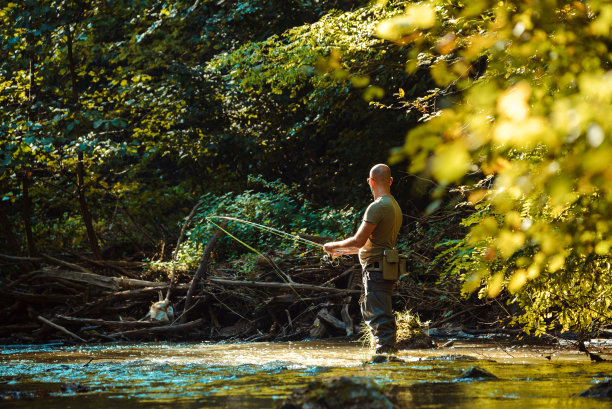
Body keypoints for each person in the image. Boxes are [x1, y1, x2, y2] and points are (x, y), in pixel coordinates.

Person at [323, 164, 403, 354]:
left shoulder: (377, 207)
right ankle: (386, 357)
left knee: (378, 317)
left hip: (375, 271)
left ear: (371, 181)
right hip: (384, 267)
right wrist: (342, 252)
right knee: (380, 314)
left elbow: (359, 241)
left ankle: (385, 359)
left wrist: (331, 246)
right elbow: (374, 243)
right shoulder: (394, 205)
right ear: (390, 181)